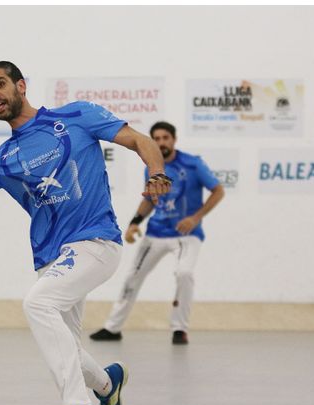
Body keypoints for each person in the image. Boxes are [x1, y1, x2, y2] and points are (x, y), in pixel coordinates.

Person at [0, 61, 172, 405]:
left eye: (0, 84)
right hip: (53, 258)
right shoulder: (2, 159)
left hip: (95, 242)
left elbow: (141, 142)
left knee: (38, 305)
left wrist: (157, 174)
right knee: (68, 347)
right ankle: (108, 386)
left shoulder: (77, 115)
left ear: (21, 86)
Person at [90, 121, 226, 345]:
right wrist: (135, 222)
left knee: (184, 274)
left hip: (186, 235)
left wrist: (195, 217)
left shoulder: (193, 164)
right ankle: (112, 328)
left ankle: (179, 329)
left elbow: (218, 191)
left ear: (174, 139)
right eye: (157, 139)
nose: (161, 142)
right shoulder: (152, 167)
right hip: (156, 233)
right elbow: (150, 200)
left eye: (165, 138)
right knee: (132, 276)